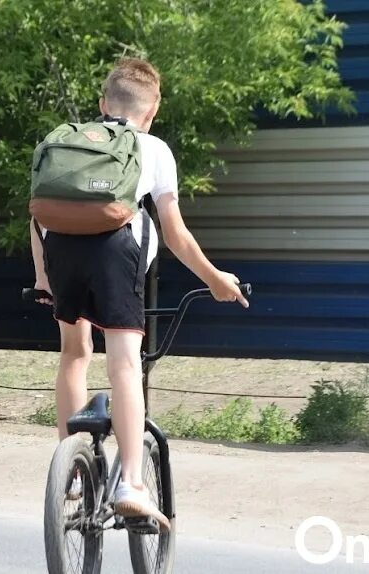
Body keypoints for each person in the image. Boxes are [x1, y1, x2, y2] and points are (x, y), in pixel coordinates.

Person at [29, 58, 249, 525]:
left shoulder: (66, 140)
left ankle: (70, 469)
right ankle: (132, 481)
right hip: (115, 254)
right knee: (125, 364)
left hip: (60, 250)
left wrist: (42, 278)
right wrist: (215, 280)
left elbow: (38, 214)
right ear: (152, 110)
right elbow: (175, 234)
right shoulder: (154, 149)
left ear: (103, 104)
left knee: (74, 354)